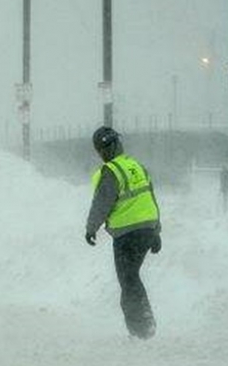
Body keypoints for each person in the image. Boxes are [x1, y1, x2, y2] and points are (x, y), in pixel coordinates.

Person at [85, 126, 162, 339]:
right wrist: (156, 231)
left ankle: (142, 329)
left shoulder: (111, 171)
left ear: (101, 150)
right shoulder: (136, 166)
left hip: (127, 234)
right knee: (130, 278)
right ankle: (141, 327)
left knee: (128, 280)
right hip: (146, 229)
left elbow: (102, 202)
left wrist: (91, 228)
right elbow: (150, 198)